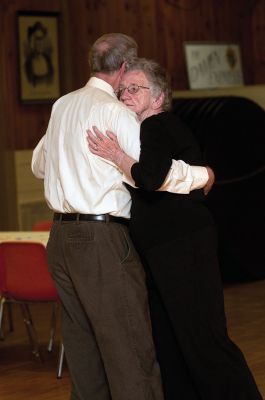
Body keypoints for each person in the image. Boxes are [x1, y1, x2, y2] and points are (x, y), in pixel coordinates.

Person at [31, 33, 213, 400]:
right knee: (130, 350)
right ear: (125, 66)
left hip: (60, 240)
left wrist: (74, 165)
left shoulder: (62, 105)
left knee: (84, 354)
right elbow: (150, 171)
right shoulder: (115, 112)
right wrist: (202, 175)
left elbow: (38, 165)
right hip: (100, 241)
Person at [87, 58, 262, 400]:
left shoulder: (157, 125)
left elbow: (151, 177)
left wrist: (116, 155)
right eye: (123, 89)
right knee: (171, 342)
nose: (125, 95)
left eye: (135, 89)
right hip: (165, 249)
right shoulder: (148, 130)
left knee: (203, 340)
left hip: (181, 246)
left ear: (158, 97)